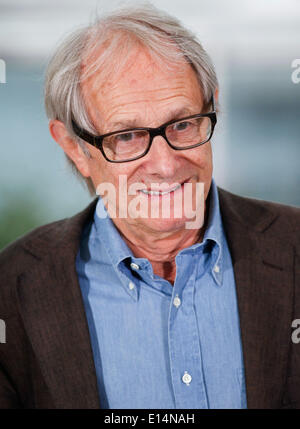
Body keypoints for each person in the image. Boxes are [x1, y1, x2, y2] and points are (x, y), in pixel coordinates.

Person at [0, 4, 299, 409]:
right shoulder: (11, 291)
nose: (164, 163)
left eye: (182, 124)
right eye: (127, 136)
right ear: (75, 147)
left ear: (212, 106)